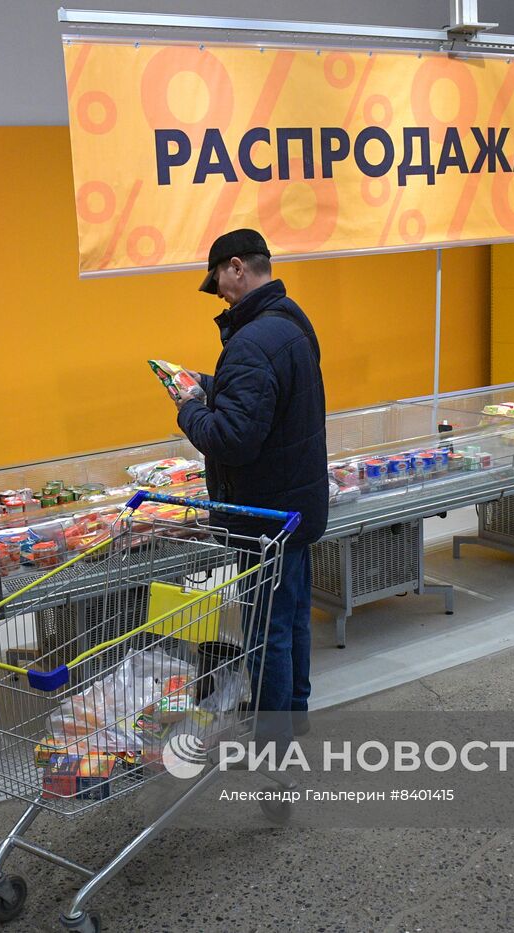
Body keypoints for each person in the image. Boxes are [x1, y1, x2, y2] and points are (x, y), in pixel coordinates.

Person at [173, 229, 328, 743]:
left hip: (262, 518)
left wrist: (189, 406)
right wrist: (214, 385)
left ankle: (271, 744)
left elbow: (231, 441)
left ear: (237, 267)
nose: (217, 290)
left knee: (266, 636)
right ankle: (295, 716)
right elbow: (270, 400)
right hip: (297, 507)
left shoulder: (249, 342)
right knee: (293, 622)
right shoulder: (292, 322)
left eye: (217, 277)